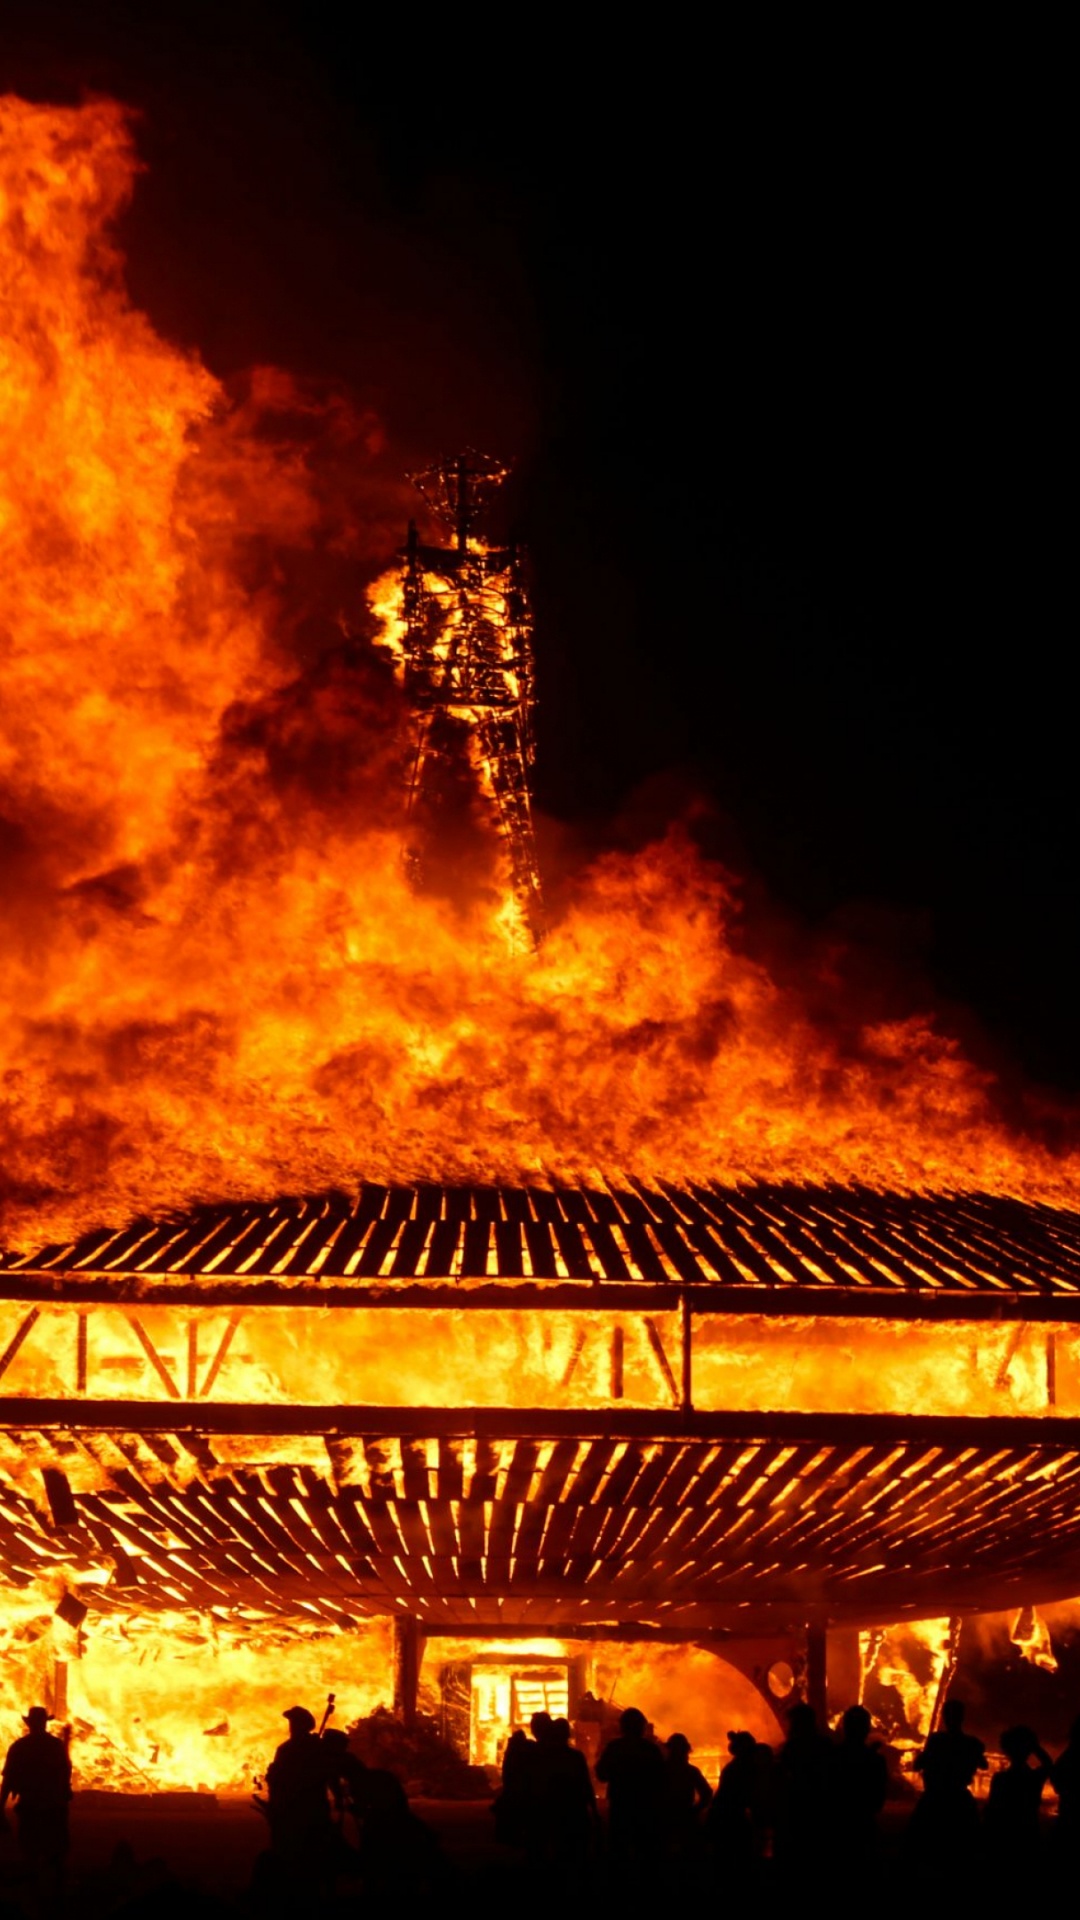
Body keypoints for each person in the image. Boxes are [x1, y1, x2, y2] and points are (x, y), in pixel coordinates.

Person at [907, 1698, 986, 1880]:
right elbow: (983, 1764)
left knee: (923, 1846)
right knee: (962, 1849)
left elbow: (918, 1764)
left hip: (935, 1800)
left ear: (944, 1717)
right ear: (962, 1718)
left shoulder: (936, 1740)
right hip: (959, 1800)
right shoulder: (971, 1743)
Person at [0, 1705, 72, 1896]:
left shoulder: (19, 1747)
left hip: (31, 1806)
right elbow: (66, 1773)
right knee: (56, 1853)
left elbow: (8, 1780)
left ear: (30, 1724)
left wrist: (0, 1807)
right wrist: (65, 1792)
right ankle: (56, 1895)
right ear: (45, 1724)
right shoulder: (56, 1745)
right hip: (53, 1808)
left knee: (30, 1852)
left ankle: (35, 1893)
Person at [596, 1706, 665, 1888]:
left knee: (619, 1850)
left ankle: (619, 1888)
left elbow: (602, 1774)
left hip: (621, 1804)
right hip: (646, 1807)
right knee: (647, 1852)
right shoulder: (651, 1750)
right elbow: (661, 1778)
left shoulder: (614, 1748)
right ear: (642, 1727)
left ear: (622, 1727)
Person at [265, 1705, 334, 1878]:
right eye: (291, 1722)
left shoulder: (302, 1748)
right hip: (298, 1807)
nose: (291, 1726)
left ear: (302, 1725)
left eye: (294, 1722)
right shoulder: (296, 1748)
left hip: (303, 1807)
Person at [773, 1702, 835, 1872]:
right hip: (822, 1810)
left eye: (791, 1722)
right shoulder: (826, 1746)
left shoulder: (791, 1748)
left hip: (797, 1809)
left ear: (796, 1723)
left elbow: (780, 1778)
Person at [985, 1724, 1051, 1882]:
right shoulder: (1034, 1778)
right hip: (1028, 1834)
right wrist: (1034, 1746)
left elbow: (991, 1811)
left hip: (1003, 1838)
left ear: (1006, 1751)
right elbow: (1048, 1764)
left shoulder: (1000, 1779)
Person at [833, 1704, 888, 1865]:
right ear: (866, 1729)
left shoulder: (831, 1758)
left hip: (837, 1828)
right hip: (864, 1827)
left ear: (844, 1728)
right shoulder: (875, 1761)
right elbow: (878, 1800)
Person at [662, 1731, 712, 1856]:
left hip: (665, 1820)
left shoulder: (659, 1771)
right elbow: (707, 1793)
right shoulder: (691, 1771)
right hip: (685, 1818)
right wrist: (695, 1810)